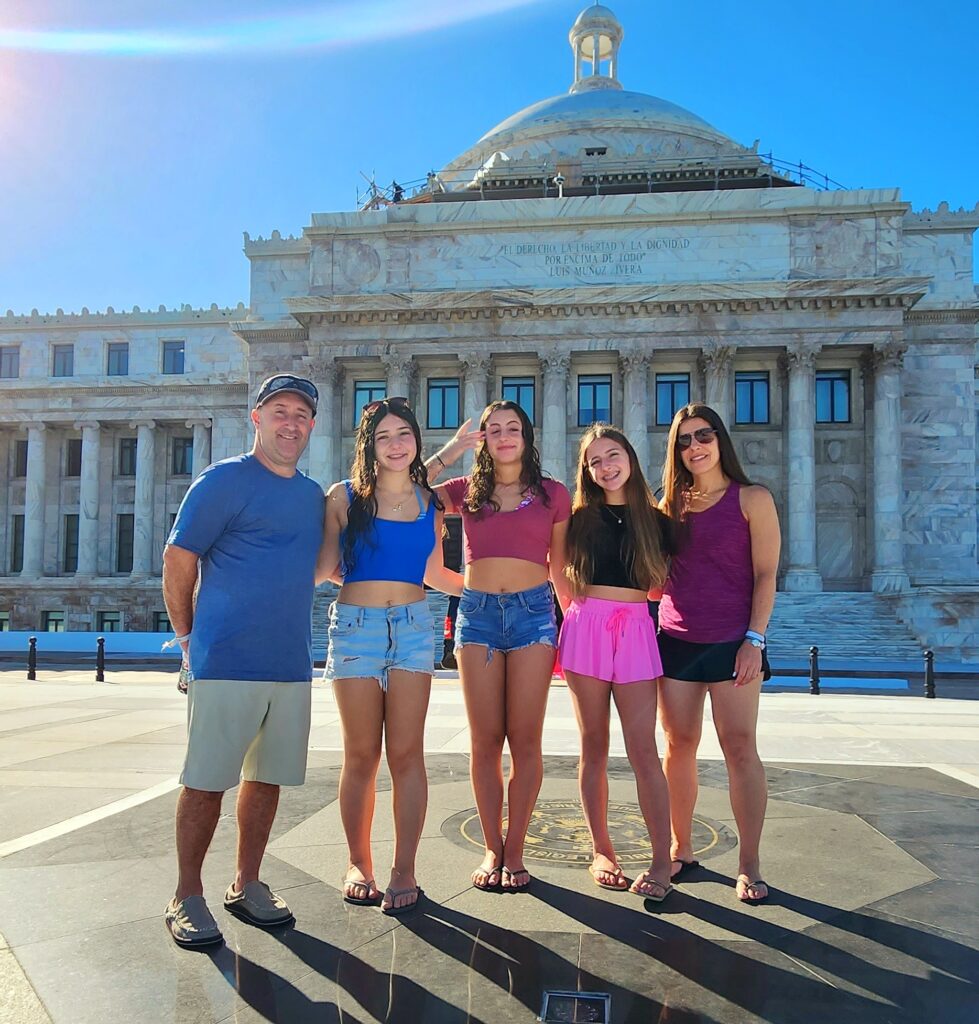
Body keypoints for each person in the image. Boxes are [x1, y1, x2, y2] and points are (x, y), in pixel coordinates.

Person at [162, 373, 324, 949]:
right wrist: (188, 640)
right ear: (256, 418)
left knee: (267, 780)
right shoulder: (222, 480)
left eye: (302, 414)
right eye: (280, 411)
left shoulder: (311, 496)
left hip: (290, 663)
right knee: (206, 782)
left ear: (312, 425)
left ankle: (247, 882)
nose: (291, 423)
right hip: (225, 659)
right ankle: (185, 893)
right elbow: (178, 561)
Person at [318, 398, 463, 915]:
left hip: (414, 627)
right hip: (356, 628)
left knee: (407, 753)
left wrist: (494, 587)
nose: (396, 444)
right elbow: (325, 568)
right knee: (361, 754)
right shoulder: (344, 498)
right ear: (369, 446)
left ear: (417, 442)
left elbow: (435, 574)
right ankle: (359, 861)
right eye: (384, 437)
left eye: (404, 434)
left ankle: (405, 869)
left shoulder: (431, 503)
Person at [428, 400, 571, 891]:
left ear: (527, 436)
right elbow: (402, 487)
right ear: (483, 439)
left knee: (525, 739)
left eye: (513, 428)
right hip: (478, 615)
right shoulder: (465, 491)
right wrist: (450, 451)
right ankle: (492, 845)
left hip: (534, 616)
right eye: (493, 430)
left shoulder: (553, 494)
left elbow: (559, 566)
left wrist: (569, 622)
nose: (504, 436)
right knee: (485, 740)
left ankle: (517, 849)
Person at [656, 403, 779, 904]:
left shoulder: (753, 499)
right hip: (676, 640)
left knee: (739, 748)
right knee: (678, 745)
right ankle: (680, 847)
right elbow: (655, 576)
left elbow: (767, 573)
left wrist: (755, 639)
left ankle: (749, 862)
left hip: (733, 643)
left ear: (720, 439)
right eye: (684, 441)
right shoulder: (669, 505)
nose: (695, 447)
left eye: (703, 435)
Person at [559, 423, 673, 901]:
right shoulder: (577, 517)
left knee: (643, 748)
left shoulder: (657, 519)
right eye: (595, 461)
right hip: (587, 624)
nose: (606, 467)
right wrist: (580, 619)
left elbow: (661, 587)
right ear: (586, 470)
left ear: (630, 456)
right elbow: (557, 573)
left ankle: (662, 861)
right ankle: (601, 849)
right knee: (594, 746)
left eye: (613, 456)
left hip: (636, 628)